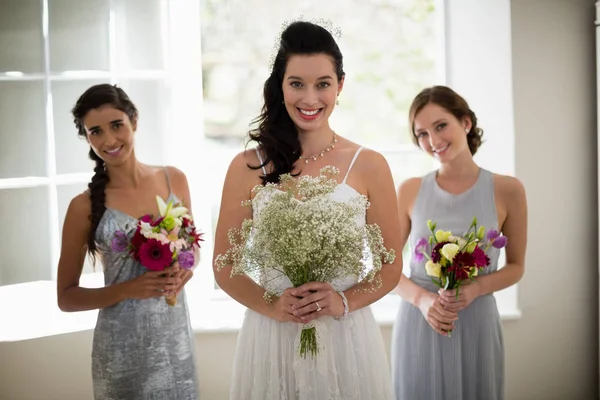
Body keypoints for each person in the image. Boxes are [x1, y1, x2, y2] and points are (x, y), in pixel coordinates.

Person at [212, 21, 403, 400]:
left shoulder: (370, 165)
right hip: (271, 335)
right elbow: (223, 265)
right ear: (280, 85)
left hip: (345, 337)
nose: (310, 98)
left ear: (340, 85)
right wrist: (273, 304)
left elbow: (391, 266)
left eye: (323, 84)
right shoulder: (248, 166)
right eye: (297, 83)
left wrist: (343, 301)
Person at [56, 84, 200, 400]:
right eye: (95, 131)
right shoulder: (83, 207)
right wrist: (127, 290)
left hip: (174, 341)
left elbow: (192, 248)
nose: (108, 140)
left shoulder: (172, 179)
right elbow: (66, 298)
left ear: (134, 120)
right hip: (120, 350)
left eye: (116, 125)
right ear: (87, 137)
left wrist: (185, 270)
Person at [391, 85, 528, 400]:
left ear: (465, 122)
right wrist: (423, 302)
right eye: (422, 134)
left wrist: (476, 288)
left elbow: (517, 266)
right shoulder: (410, 190)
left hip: (476, 319)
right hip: (420, 321)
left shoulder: (508, 190)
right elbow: (387, 269)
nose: (433, 141)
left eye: (440, 126)